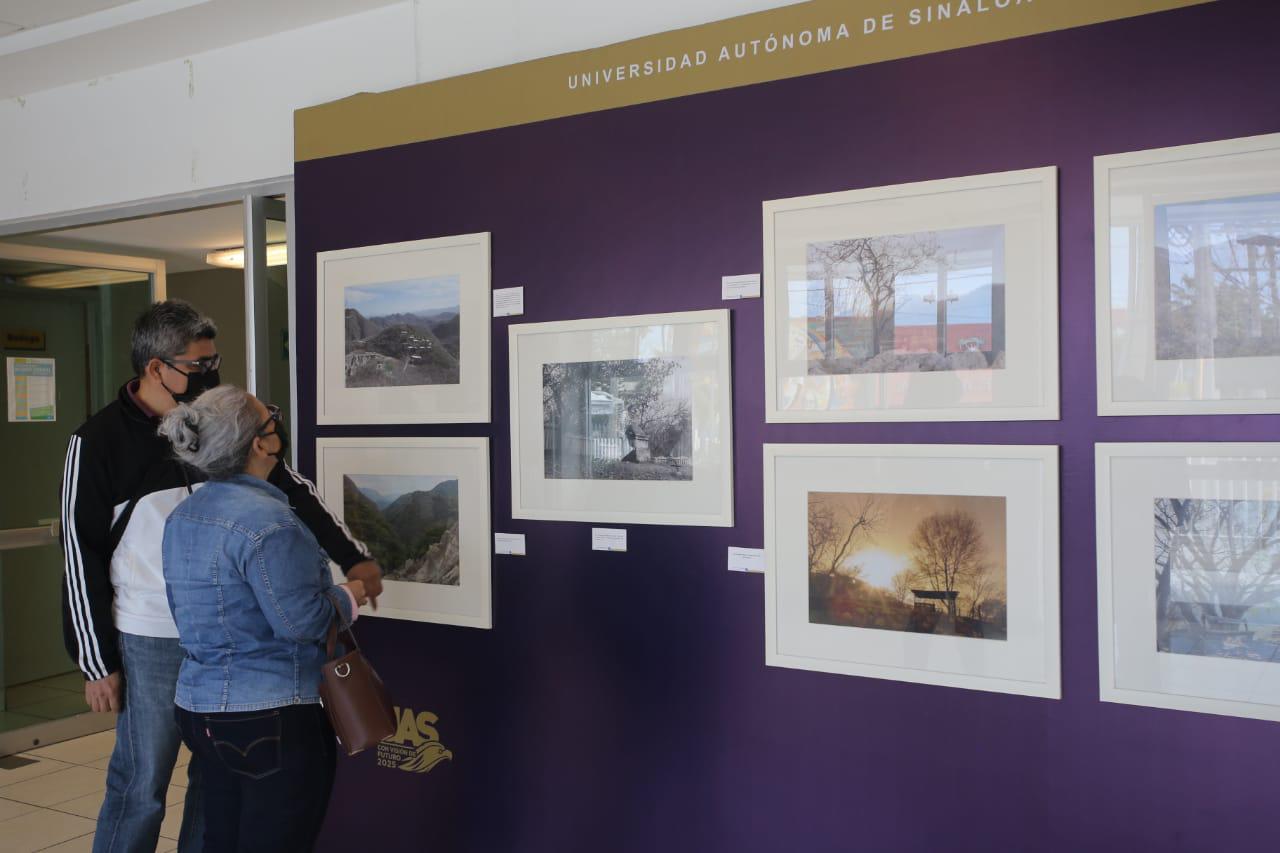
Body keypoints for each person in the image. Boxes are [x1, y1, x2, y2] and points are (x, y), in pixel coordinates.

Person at [59, 300, 382, 853]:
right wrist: (96, 661)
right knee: (140, 786)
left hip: (227, 636)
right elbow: (78, 554)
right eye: (197, 363)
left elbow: (293, 489)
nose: (209, 373)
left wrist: (352, 557)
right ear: (156, 367)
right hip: (151, 636)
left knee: (217, 784)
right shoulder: (98, 441)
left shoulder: (216, 424)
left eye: (214, 361)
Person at [160, 386, 366, 851]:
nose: (278, 423)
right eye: (269, 416)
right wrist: (348, 596)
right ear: (260, 443)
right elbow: (303, 624)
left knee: (223, 837)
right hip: (270, 715)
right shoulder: (271, 521)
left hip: (199, 708)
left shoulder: (184, 516)